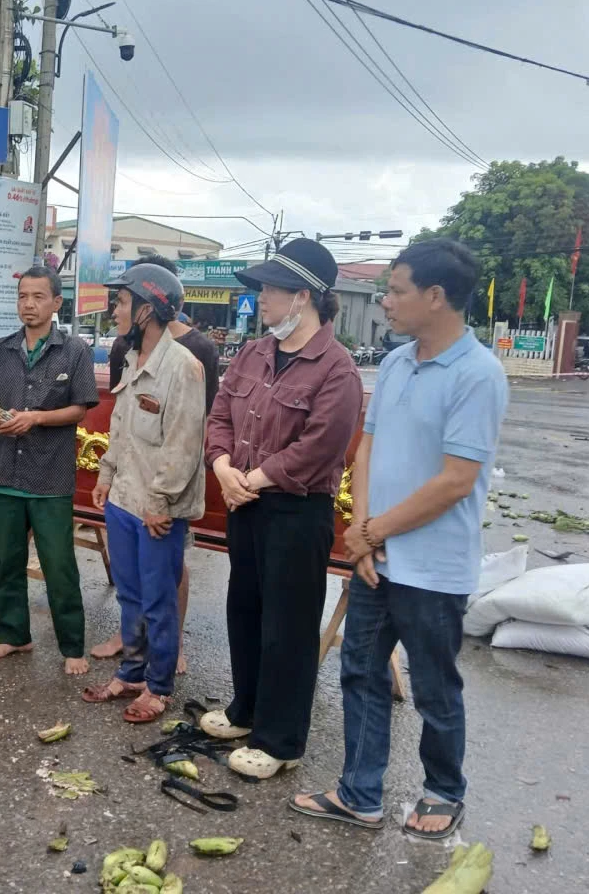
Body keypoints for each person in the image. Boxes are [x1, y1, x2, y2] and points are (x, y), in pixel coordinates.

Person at [291, 239, 508, 839]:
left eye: (395, 290)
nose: (385, 301)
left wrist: (373, 532)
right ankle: (359, 793)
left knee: (435, 687)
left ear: (435, 296)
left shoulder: (478, 374)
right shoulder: (395, 364)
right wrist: (363, 531)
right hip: (376, 559)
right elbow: (366, 448)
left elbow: (456, 481)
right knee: (360, 673)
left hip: (432, 568)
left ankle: (443, 791)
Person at [201, 238, 362, 779]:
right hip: (244, 500)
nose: (262, 298)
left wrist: (253, 477)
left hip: (295, 510)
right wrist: (223, 466)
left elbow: (321, 444)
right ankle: (245, 710)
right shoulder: (254, 354)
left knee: (287, 626)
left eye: (272, 288)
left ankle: (280, 740)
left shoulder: (336, 369)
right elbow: (220, 414)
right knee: (244, 609)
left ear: (304, 296)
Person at [86, 264, 206, 722]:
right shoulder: (132, 357)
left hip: (157, 508)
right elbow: (120, 426)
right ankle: (132, 673)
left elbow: (183, 444)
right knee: (130, 595)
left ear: (146, 310)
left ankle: (158, 687)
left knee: (158, 601)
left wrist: (160, 502)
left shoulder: (183, 367)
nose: (115, 310)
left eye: (121, 302)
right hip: (123, 499)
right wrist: (105, 475)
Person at [0, 266, 98, 676]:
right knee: (7, 561)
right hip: (4, 474)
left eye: (38, 297)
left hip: (50, 477)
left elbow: (79, 409)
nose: (28, 304)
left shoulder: (74, 350)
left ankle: (72, 646)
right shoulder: (1, 350)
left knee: (58, 565)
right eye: (22, 296)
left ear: (56, 302)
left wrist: (36, 418)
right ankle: (15, 634)